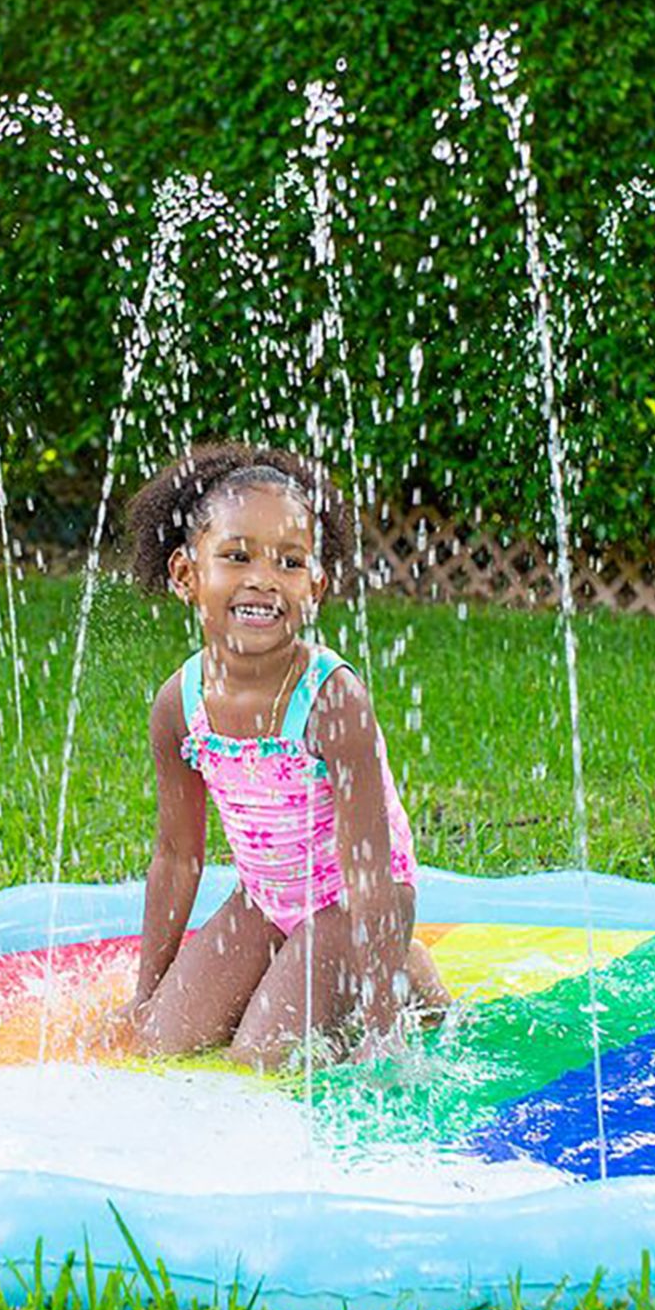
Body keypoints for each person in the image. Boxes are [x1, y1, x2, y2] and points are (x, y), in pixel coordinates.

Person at [123, 440, 447, 1068]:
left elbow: (368, 873)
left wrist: (384, 1031)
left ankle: (395, 971)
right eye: (236, 556)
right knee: (161, 1043)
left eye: (290, 562)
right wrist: (148, 993)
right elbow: (176, 856)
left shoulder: (332, 700)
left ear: (316, 586)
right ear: (187, 575)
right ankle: (332, 968)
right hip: (267, 896)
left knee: (262, 1056)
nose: (263, 580)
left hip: (353, 901)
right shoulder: (179, 704)